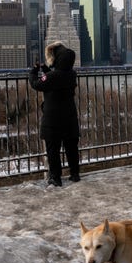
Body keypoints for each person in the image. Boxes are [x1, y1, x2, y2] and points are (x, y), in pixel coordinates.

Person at [29, 41, 81, 186]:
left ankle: (55, 177)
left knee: (53, 149)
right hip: (69, 117)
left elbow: (37, 84)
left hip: (53, 119)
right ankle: (75, 174)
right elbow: (55, 77)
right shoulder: (72, 74)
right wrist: (46, 69)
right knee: (71, 147)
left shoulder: (53, 77)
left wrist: (33, 73)